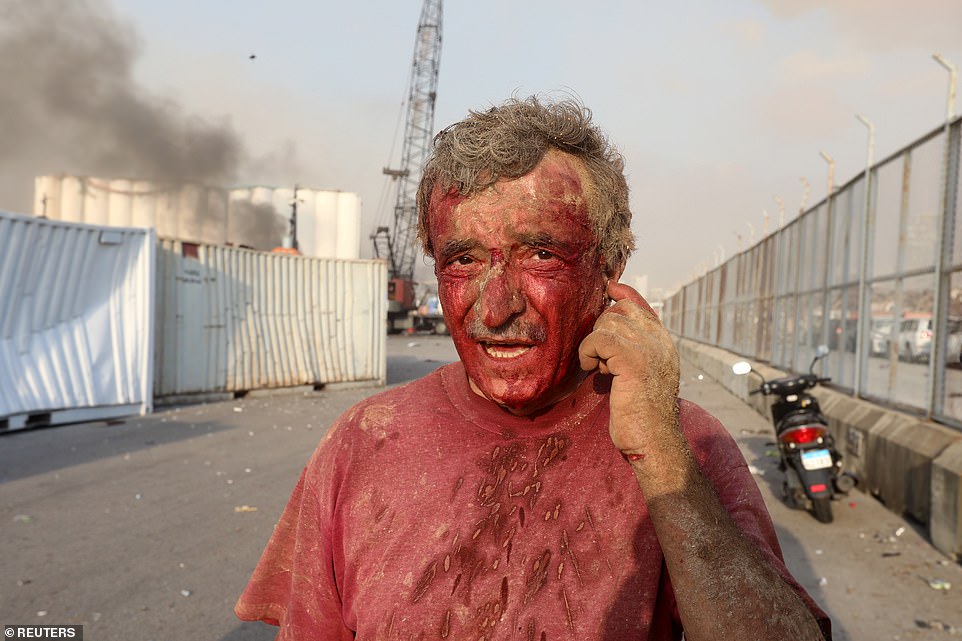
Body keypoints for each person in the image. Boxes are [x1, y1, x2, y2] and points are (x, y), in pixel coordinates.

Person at [235, 96, 832, 640]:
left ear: (610, 264)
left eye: (541, 254)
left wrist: (657, 449)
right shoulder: (362, 442)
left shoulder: (686, 448)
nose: (495, 309)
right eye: (463, 260)